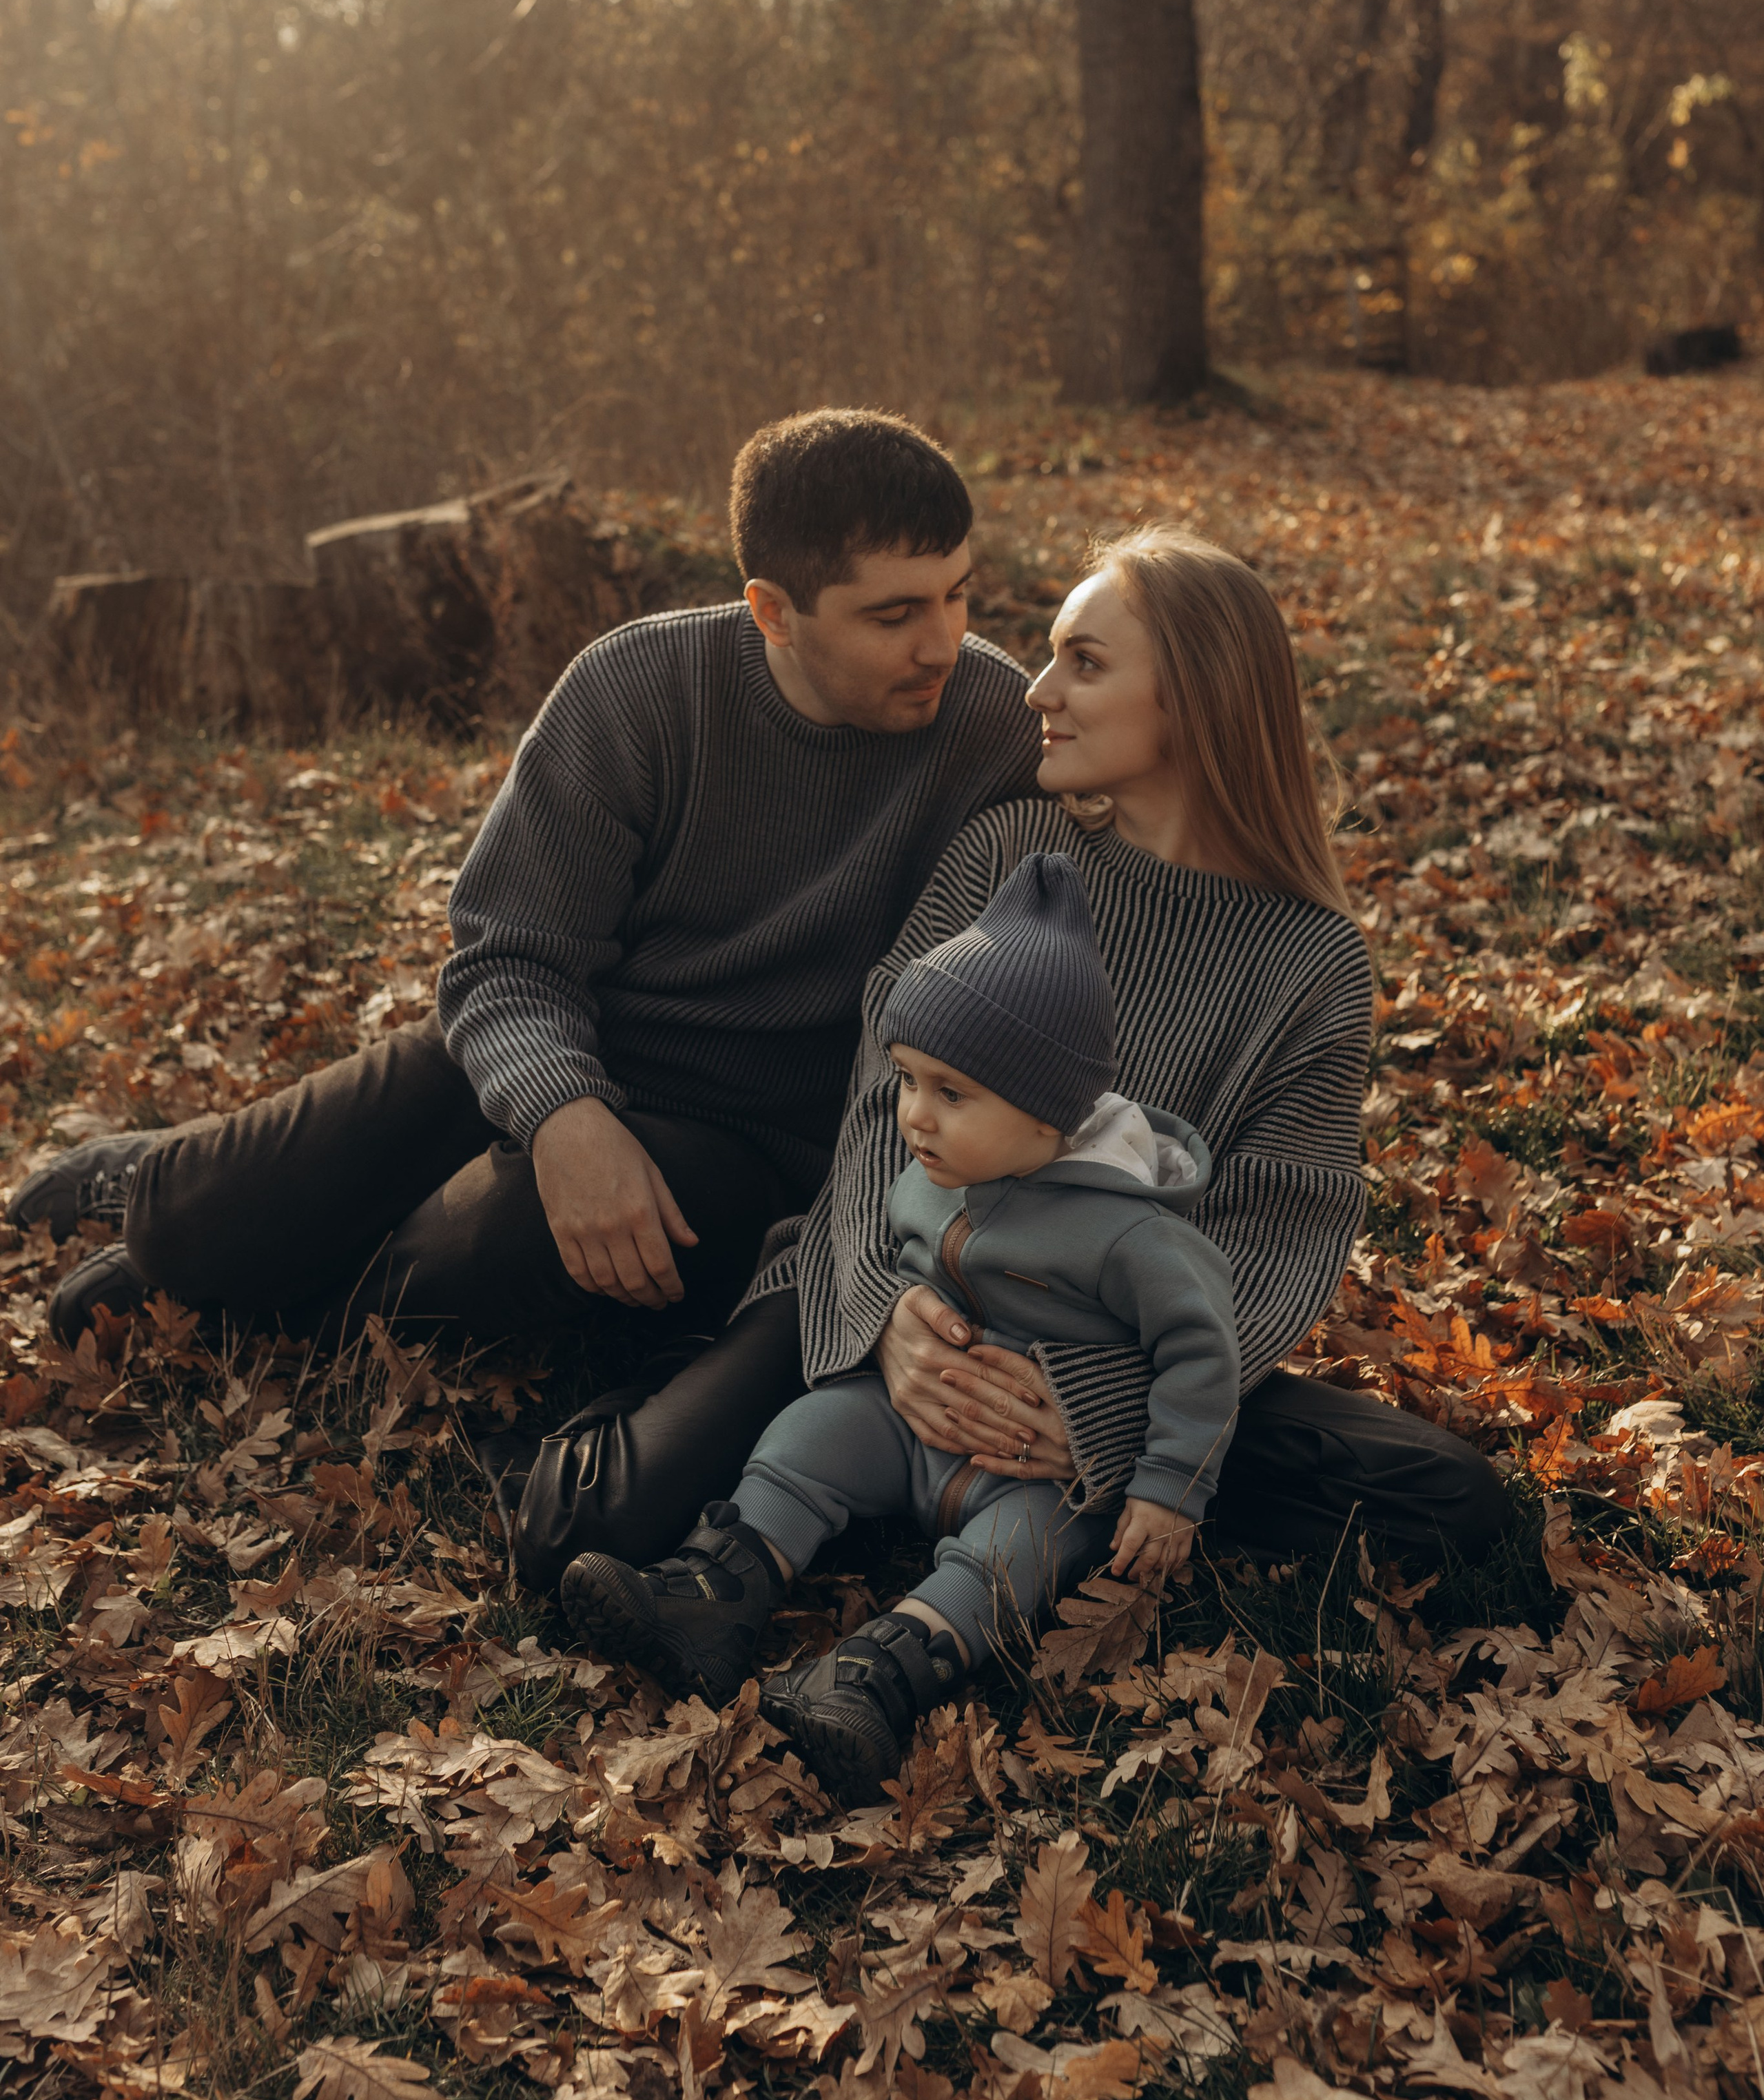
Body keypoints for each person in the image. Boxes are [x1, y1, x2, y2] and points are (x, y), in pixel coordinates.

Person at [10, 413, 1043, 1545]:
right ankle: (166, 1194)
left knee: (466, 1265)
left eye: (957, 595)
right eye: (895, 614)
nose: (944, 641)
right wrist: (563, 1114)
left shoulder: (994, 726)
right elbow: (506, 954)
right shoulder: (641, 689)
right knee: (190, 1229)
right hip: (555, 1052)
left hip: (744, 1146)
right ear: (773, 613)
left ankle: (278, 1296)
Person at [710, 526, 1505, 1585]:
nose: (1037, 690)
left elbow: (1276, 1226)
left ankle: (1051, 1488)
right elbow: (876, 1111)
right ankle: (887, 1463)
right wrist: (885, 1322)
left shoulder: (1314, 962)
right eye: (1050, 655)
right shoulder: (1007, 855)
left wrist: (1104, 1410)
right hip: (914, 1285)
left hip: (1119, 1348)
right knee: (619, 1506)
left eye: (1083, 662)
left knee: (1454, 1502)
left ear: (1198, 700)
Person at [557, 852, 1242, 1806]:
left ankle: (880, 1674)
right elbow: (876, 1255)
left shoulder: (1131, 1229)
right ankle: (717, 1586)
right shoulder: (933, 1174)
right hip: (911, 1428)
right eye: (908, 1079)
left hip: (1038, 1474)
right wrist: (889, 1325)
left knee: (1017, 1560)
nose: (915, 1116)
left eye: (950, 1094)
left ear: (1051, 1110)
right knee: (815, 1429)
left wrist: (1170, 1489)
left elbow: (1204, 1351)